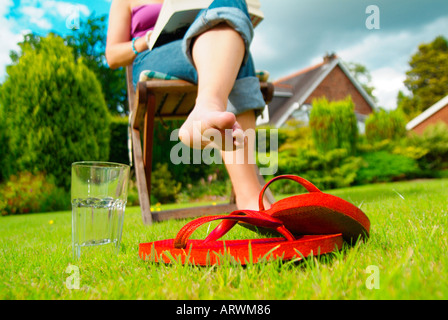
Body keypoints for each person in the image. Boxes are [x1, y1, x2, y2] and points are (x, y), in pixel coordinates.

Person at [106, 0, 271, 211]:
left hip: (206, 42)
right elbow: (112, 56)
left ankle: (206, 108)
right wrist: (146, 39)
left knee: (231, 9)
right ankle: (250, 195)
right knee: (236, 51)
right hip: (155, 55)